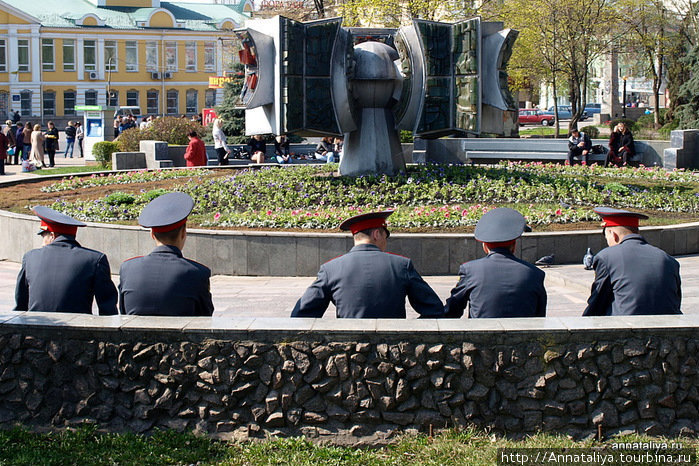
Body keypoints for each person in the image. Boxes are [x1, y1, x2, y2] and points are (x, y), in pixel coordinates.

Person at [291, 210, 446, 318]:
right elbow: (435, 310)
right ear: (377, 234)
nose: (386, 241)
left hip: (347, 355)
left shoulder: (330, 269)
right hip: (393, 353)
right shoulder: (402, 265)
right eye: (386, 235)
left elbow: (301, 314)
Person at [119, 192, 214, 316]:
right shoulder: (198, 273)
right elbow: (205, 319)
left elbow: (123, 312)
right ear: (183, 233)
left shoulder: (127, 268)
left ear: (152, 234)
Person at [444, 208, 546, 318]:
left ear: (485, 246)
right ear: (514, 246)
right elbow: (540, 316)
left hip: (481, 334)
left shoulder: (470, 270)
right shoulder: (535, 274)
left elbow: (452, 311)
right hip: (526, 334)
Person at [14, 206, 118, 314]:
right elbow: (108, 308)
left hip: (35, 327)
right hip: (77, 328)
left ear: (52, 236)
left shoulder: (30, 257)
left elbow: (20, 304)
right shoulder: (95, 259)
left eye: (43, 237)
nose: (42, 243)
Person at [583, 207, 681, 316]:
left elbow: (596, 305)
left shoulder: (606, 257)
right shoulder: (668, 259)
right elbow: (675, 301)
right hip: (670, 328)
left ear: (613, 235)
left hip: (627, 329)